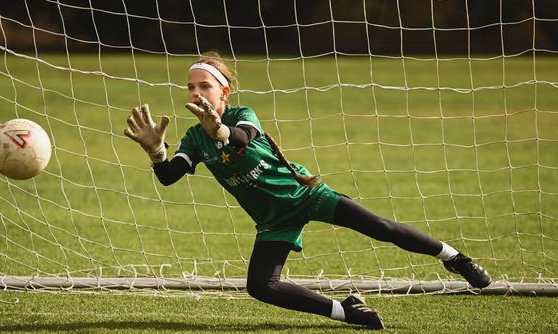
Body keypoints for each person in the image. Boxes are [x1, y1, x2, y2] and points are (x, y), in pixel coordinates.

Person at [124, 52, 491, 330]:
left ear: (224, 91)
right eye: (190, 86)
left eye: (204, 85)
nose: (196, 92)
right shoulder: (192, 138)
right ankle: (346, 310)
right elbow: (171, 176)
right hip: (272, 219)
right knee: (262, 287)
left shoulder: (242, 115)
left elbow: (243, 138)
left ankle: (455, 258)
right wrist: (157, 152)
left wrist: (219, 129)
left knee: (382, 228)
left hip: (306, 195)